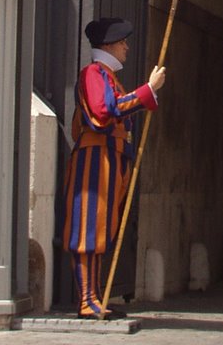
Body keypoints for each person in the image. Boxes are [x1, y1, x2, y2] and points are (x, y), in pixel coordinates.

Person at [61, 16, 166, 319]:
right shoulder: (93, 73)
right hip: (95, 159)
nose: (126, 48)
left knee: (101, 229)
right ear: (108, 44)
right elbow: (103, 112)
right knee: (87, 229)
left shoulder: (107, 75)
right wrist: (147, 90)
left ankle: (94, 296)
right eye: (122, 43)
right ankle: (87, 299)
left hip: (111, 158)